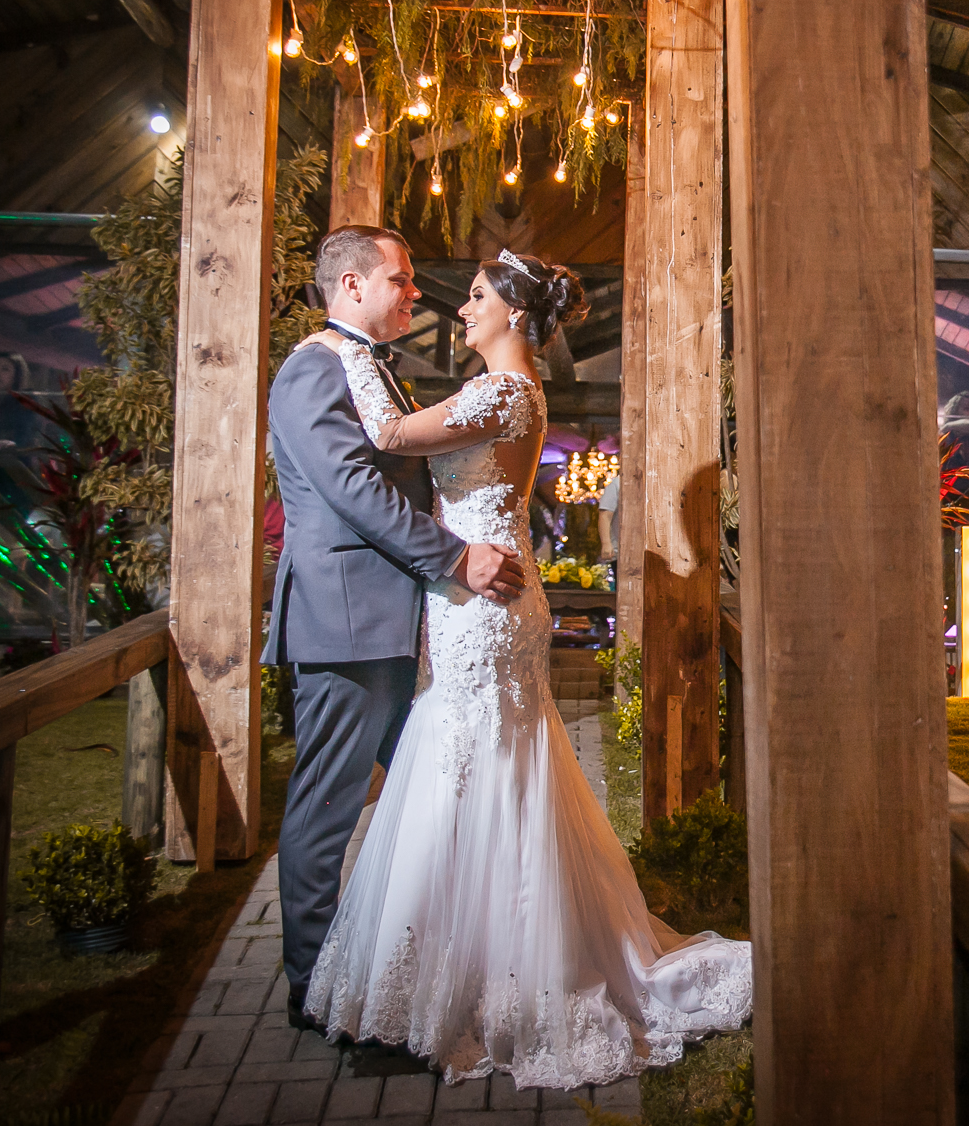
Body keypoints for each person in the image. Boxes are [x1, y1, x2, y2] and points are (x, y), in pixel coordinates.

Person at [297, 248, 752, 1087]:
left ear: (512, 310)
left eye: (476, 295)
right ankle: (476, 957)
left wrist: (340, 346)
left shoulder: (504, 392)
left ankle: (490, 973)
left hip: (486, 602)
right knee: (480, 766)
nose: (462, 307)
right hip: (474, 594)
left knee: (471, 765)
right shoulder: (503, 390)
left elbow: (389, 433)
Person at [264, 226, 527, 1039]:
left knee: (430, 794)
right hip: (346, 622)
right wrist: (454, 556)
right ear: (351, 285)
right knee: (330, 803)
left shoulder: (372, 367)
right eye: (401, 279)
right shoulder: (314, 368)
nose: (416, 292)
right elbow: (351, 488)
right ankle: (313, 983)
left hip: (396, 620)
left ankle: (413, 969)